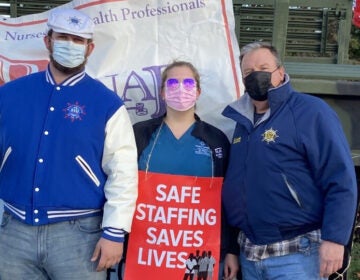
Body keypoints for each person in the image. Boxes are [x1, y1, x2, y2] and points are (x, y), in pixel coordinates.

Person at [0, 8, 138, 280]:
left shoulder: (107, 104)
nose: (70, 45)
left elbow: (123, 172)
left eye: (78, 40)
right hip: (13, 231)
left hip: (80, 236)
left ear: (90, 48)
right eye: (63, 37)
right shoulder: (10, 94)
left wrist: (114, 232)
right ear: (48, 41)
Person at [222, 41, 358, 280]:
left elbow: (340, 178)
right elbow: (239, 187)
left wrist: (336, 240)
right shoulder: (242, 122)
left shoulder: (310, 112)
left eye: (264, 67)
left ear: (281, 72)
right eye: (248, 72)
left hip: (298, 255)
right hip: (251, 255)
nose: (257, 76)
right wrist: (233, 248)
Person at [132, 60, 240, 280]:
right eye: (172, 83)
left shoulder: (216, 140)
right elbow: (120, 188)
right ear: (162, 92)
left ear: (198, 92)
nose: (180, 89)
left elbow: (228, 200)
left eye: (188, 83)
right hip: (147, 249)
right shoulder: (140, 134)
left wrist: (231, 250)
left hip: (200, 252)